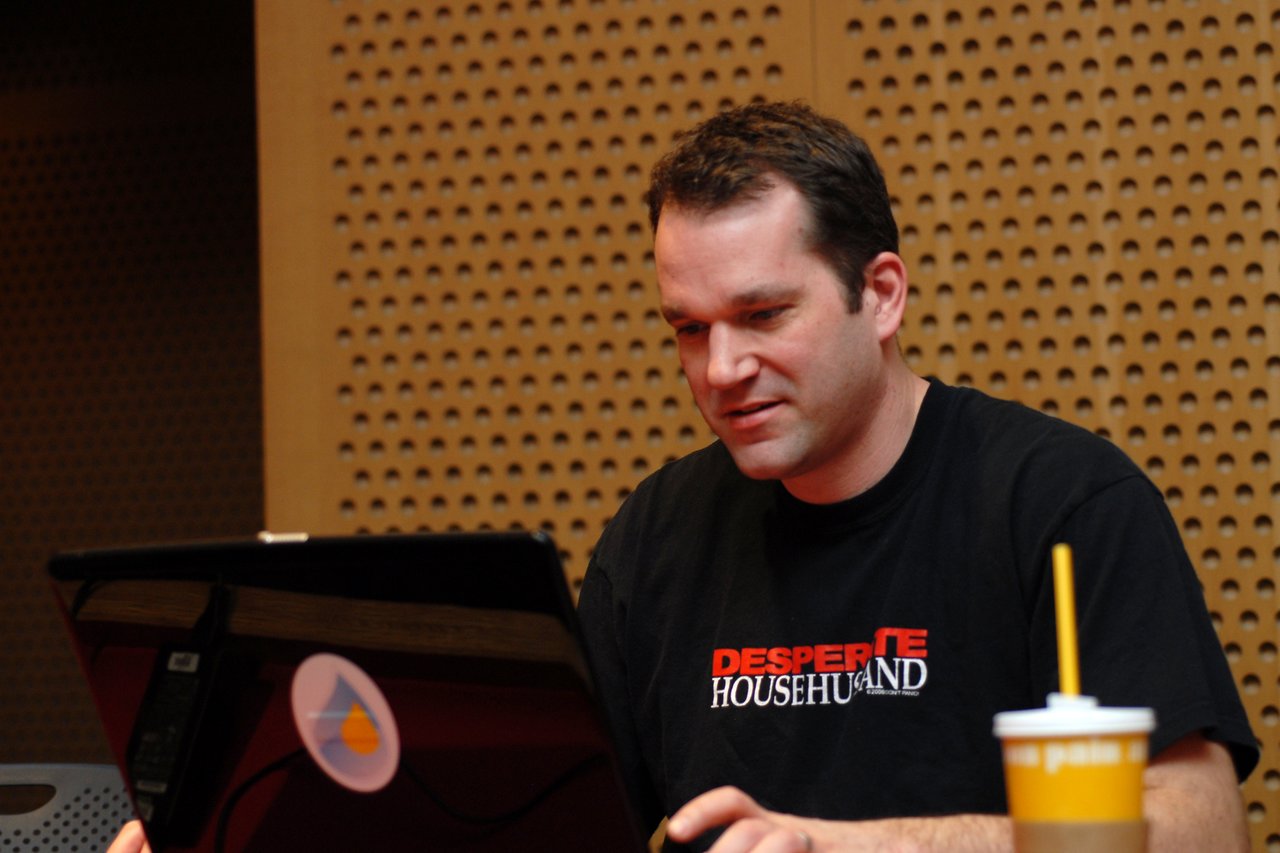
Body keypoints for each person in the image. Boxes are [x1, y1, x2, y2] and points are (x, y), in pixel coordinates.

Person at [575, 101, 1258, 852]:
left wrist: (860, 845)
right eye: (690, 329)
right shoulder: (651, 540)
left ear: (883, 296)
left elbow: (1205, 831)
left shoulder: (1064, 503)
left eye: (764, 314)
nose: (722, 369)